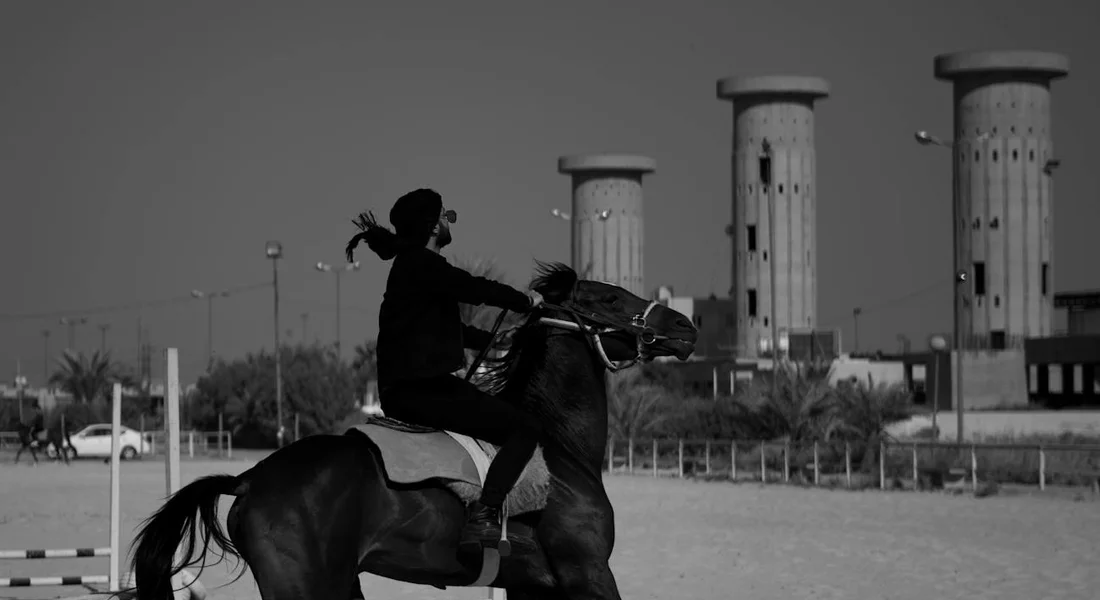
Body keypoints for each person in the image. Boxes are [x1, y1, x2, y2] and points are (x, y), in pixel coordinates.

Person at [345, 188, 546, 551]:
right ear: (434, 226)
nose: (449, 221)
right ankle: (484, 515)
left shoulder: (410, 268)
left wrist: (494, 340)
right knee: (525, 428)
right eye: (445, 215)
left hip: (408, 392)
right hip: (423, 393)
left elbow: (443, 330)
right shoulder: (423, 264)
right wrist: (524, 300)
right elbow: (474, 288)